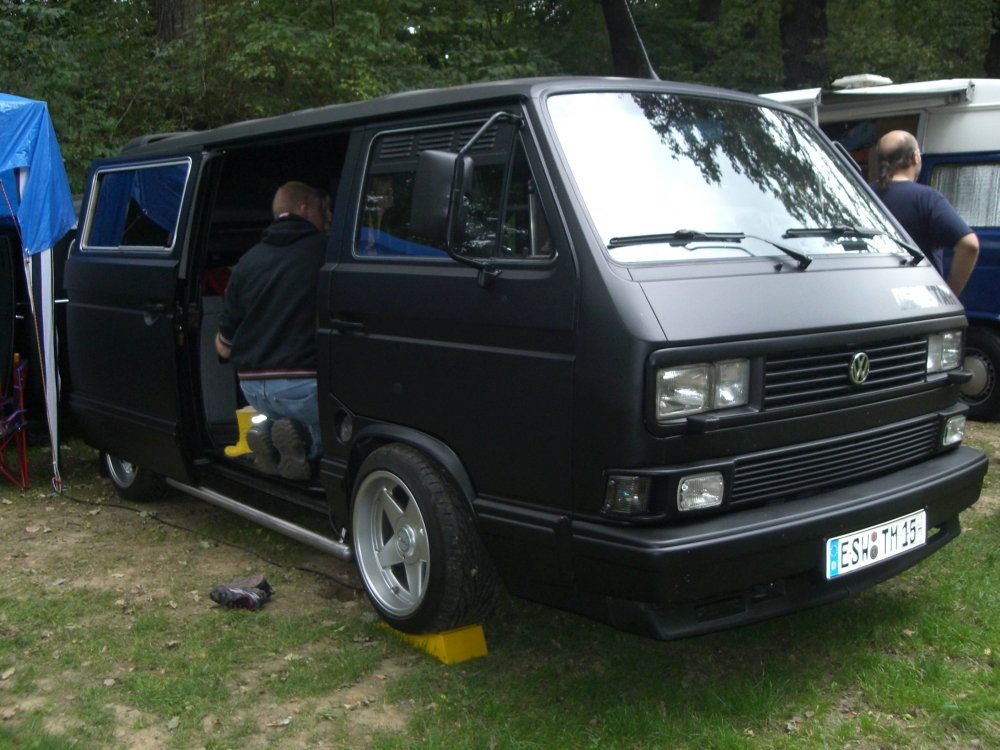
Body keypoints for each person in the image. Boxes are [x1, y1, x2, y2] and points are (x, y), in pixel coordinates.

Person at [215, 181, 327, 481]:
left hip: (253, 389)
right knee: (340, 409)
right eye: (321, 210)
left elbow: (223, 346)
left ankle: (270, 435)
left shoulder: (247, 262)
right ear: (305, 209)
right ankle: (309, 448)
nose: (325, 217)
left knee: (288, 412)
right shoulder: (325, 252)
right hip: (301, 389)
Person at [871, 130, 979, 295]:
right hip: (919, 300)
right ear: (914, 158)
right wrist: (949, 295)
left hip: (874, 295)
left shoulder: (860, 194)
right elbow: (969, 246)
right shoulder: (927, 198)